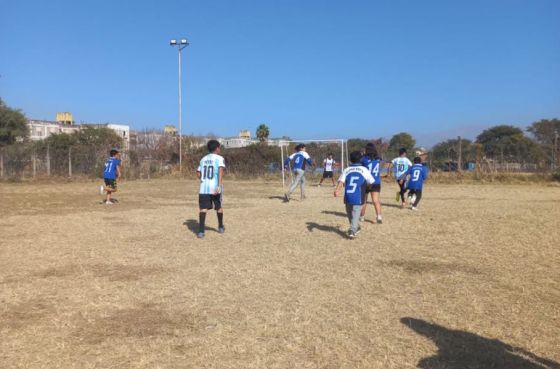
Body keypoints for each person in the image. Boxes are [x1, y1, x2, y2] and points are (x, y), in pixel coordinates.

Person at [334, 151, 375, 239]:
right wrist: (369, 187)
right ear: (360, 159)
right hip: (353, 196)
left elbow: (341, 181)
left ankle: (352, 230)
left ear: (350, 160)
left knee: (354, 212)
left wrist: (337, 190)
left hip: (353, 195)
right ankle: (356, 226)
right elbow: (371, 181)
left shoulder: (347, 169)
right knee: (351, 214)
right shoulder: (363, 169)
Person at [196, 139, 226, 238]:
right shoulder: (219, 158)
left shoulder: (203, 159)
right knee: (218, 207)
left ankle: (201, 231)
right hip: (214, 187)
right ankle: (221, 227)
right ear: (217, 148)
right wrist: (219, 185)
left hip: (203, 188)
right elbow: (220, 171)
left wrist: (204, 179)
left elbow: (198, 173)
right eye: (219, 147)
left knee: (203, 209)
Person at [360, 143, 383, 223]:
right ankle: (379, 217)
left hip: (366, 182)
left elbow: (361, 168)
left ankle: (362, 217)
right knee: (376, 200)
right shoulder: (378, 159)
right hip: (376, 181)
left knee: (364, 200)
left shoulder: (364, 159)